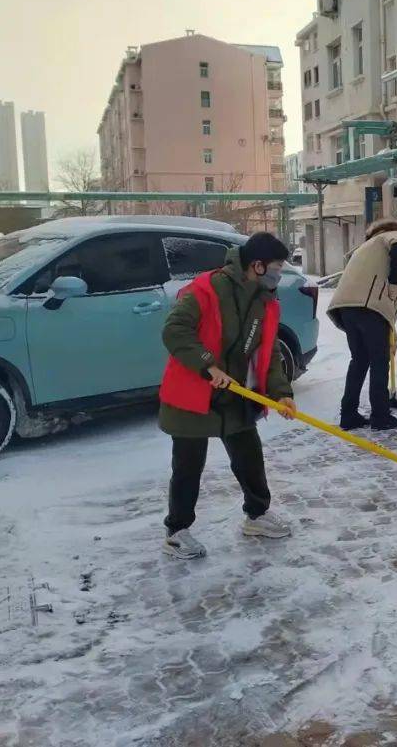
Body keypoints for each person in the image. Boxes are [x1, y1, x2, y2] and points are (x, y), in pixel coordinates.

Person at [157, 232, 298, 560]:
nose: (280, 274)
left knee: (249, 456)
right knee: (189, 464)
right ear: (258, 265)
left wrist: (281, 393)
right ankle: (177, 531)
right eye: (277, 267)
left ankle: (257, 516)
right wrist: (207, 366)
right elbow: (174, 331)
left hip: (235, 392)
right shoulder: (207, 289)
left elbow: (269, 352)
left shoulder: (264, 300)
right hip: (194, 391)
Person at [327, 217, 397, 431]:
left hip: (348, 307)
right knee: (380, 361)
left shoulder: (372, 242)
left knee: (359, 360)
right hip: (369, 307)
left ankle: (349, 415)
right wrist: (393, 284)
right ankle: (380, 416)